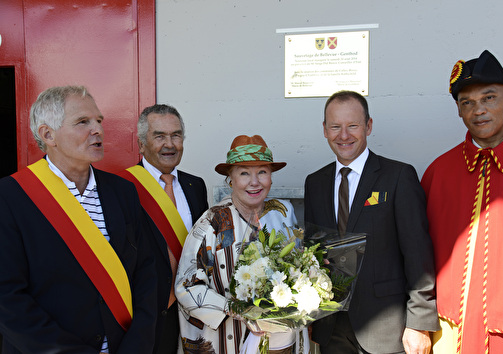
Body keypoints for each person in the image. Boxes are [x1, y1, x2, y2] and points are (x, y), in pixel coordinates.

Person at [0, 86, 158, 353]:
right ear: (48, 134)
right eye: (83, 122)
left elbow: (145, 274)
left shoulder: (122, 192)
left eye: (99, 121)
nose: (98, 130)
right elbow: (7, 297)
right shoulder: (11, 196)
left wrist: (136, 347)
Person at [304, 90, 439, 353]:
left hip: (389, 330)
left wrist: (419, 323)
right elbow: (314, 253)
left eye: (353, 125)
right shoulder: (315, 182)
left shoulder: (398, 176)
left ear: (368, 125)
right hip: (332, 330)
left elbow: (417, 254)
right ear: (324, 130)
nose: (344, 135)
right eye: (335, 127)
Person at [421, 50, 503, 353]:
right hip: (448, 332)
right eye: (467, 102)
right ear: (458, 110)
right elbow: (417, 258)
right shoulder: (438, 172)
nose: (478, 110)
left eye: (488, 98)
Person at [175, 135, 302, 354]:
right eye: (244, 173)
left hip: (281, 342)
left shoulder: (283, 214)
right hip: (228, 341)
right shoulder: (212, 222)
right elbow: (186, 286)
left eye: (262, 172)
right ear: (230, 180)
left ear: (271, 177)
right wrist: (236, 309)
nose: (255, 182)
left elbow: (297, 268)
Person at [119, 104, 208, 354]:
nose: (169, 144)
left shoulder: (195, 185)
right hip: (145, 314)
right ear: (142, 143)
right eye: (159, 136)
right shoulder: (122, 188)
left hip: (194, 309)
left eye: (176, 135)